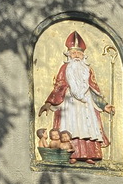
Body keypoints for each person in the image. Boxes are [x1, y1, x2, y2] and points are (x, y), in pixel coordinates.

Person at [38, 31, 114, 165]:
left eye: (79, 53)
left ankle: (89, 155)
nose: (77, 56)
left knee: (88, 127)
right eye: (74, 53)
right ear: (69, 54)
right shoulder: (65, 68)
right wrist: (49, 103)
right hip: (69, 101)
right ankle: (71, 155)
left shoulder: (87, 69)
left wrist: (104, 105)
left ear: (83, 55)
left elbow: (94, 88)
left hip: (87, 103)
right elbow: (59, 85)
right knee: (70, 126)